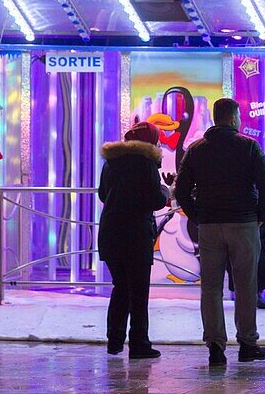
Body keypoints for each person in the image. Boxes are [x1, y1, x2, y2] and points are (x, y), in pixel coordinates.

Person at [174, 98, 265, 367]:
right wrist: (259, 219)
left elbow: (181, 190)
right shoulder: (249, 147)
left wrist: (198, 215)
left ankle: (216, 348)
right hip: (243, 224)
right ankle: (247, 344)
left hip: (209, 226)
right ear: (233, 118)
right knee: (245, 286)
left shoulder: (196, 150)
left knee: (211, 288)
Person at [97, 121, 170, 360]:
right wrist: (166, 190)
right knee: (138, 291)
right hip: (136, 235)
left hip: (110, 233)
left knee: (121, 287)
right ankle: (139, 343)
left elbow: (102, 194)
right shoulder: (146, 164)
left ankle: (114, 341)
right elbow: (155, 200)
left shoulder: (112, 163)